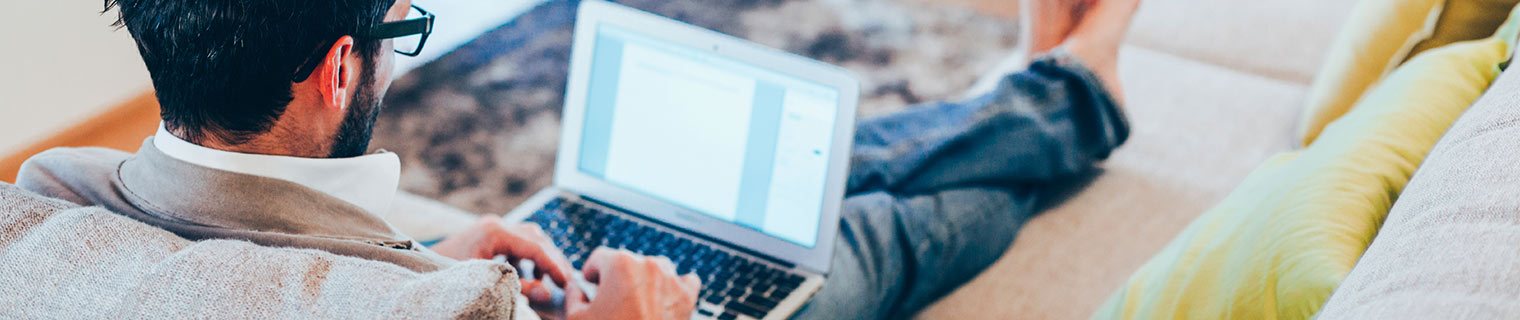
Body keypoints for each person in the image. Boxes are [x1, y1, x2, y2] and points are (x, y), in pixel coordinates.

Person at [15, 0, 1139, 318]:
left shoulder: (52, 201)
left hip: (433, 258)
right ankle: (1074, 84)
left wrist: (417, 254)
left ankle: (1052, 85)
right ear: (338, 72)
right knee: (869, 235)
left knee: (824, 170)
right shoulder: (452, 310)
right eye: (399, 33)